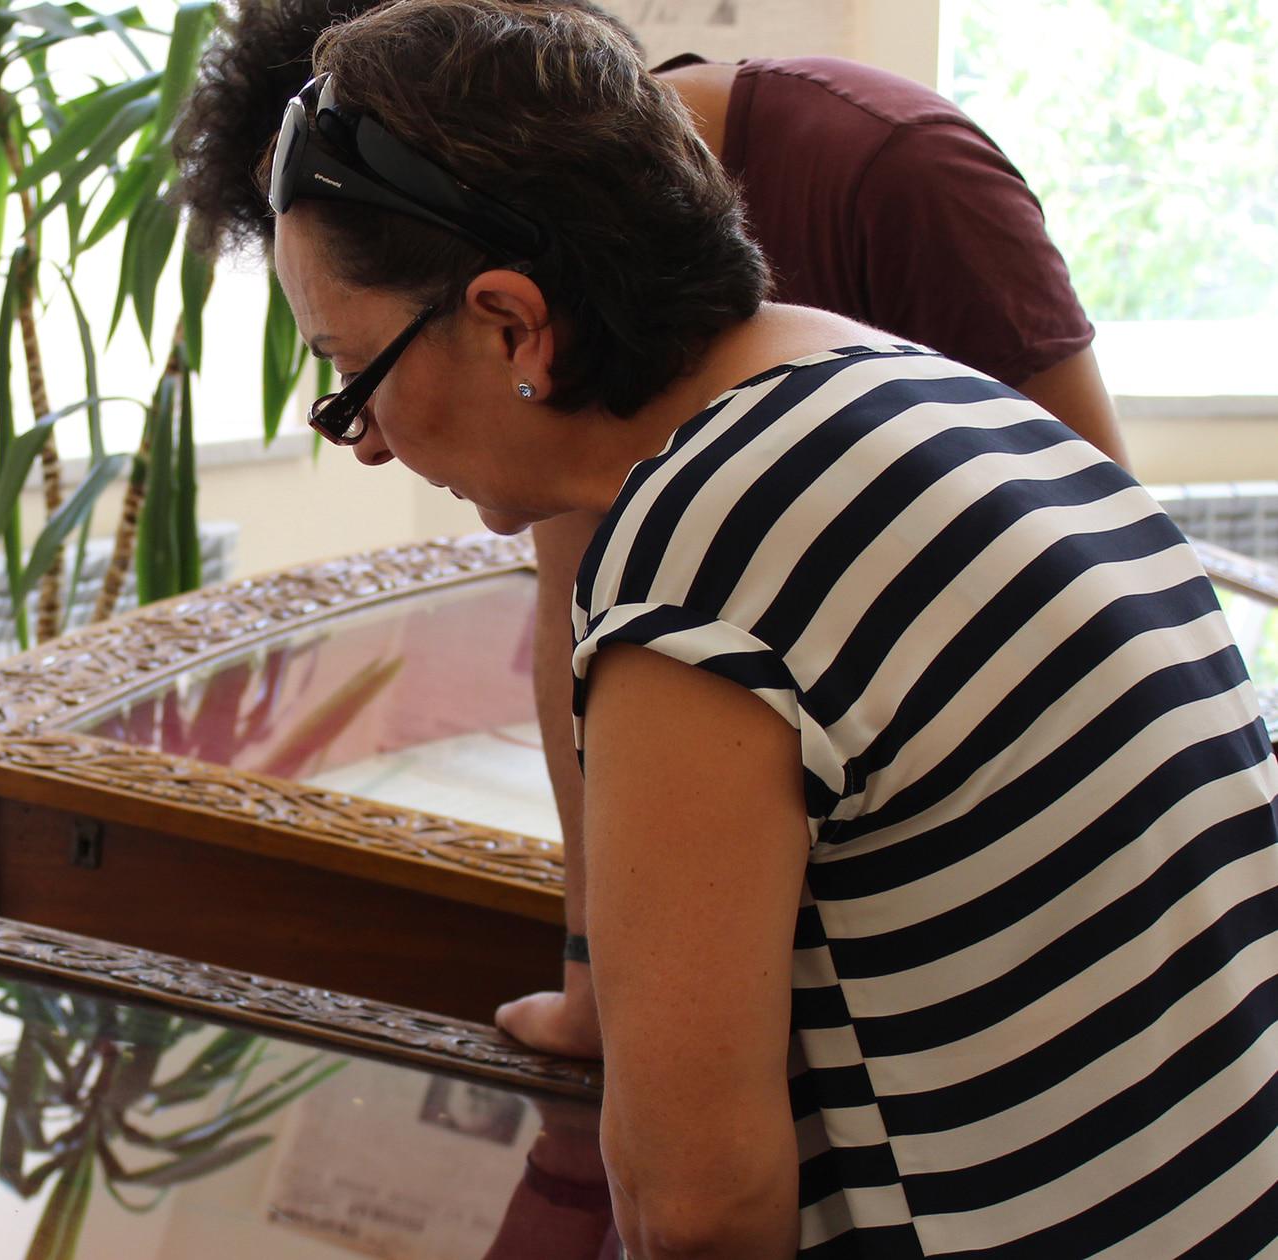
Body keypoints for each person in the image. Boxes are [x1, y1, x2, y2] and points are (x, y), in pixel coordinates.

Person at [186, 0, 1278, 1253]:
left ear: (510, 324)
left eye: (352, 374)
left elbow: (697, 1203)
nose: (365, 439)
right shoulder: (892, 382)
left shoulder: (706, 553)